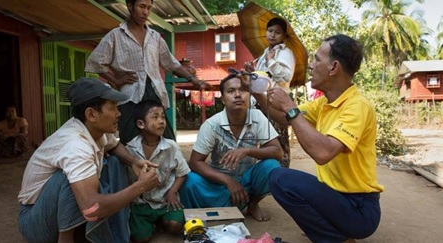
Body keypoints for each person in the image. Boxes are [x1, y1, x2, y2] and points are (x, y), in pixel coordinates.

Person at [250, 34, 384, 242]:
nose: (311, 66)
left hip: (359, 208)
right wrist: (258, 91)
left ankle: (337, 239)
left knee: (281, 178)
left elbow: (323, 153)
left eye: (317, 59)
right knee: (280, 178)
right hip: (337, 198)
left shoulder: (357, 106)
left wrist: (290, 107)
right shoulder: (323, 104)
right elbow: (284, 118)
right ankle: (334, 232)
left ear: (334, 68)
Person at [17, 77, 160, 243]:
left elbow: (113, 145)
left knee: (114, 162)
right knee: (70, 179)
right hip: (36, 224)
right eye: (113, 107)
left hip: (54, 213)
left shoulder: (95, 129)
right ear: (91, 114)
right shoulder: (76, 146)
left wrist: (134, 161)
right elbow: (91, 209)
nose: (118, 113)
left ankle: (117, 236)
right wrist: (140, 186)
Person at [85, 0, 211, 145]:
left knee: (166, 139)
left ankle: (168, 167)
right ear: (130, 6)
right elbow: (95, 61)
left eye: (149, 8)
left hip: (155, 91)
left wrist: (193, 79)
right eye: (142, 7)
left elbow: (171, 63)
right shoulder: (115, 36)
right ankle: (133, 166)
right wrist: (116, 80)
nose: (145, 12)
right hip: (129, 95)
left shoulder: (155, 37)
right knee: (130, 139)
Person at [179, 73, 283, 222]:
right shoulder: (212, 125)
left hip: (247, 180)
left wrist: (247, 150)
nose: (238, 95)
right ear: (222, 99)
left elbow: (277, 152)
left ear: (250, 95)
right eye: (231, 91)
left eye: (243, 90)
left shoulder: (257, 117)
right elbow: (195, 162)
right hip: (218, 183)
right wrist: (228, 181)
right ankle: (211, 209)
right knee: (190, 180)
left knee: (272, 167)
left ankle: (252, 204)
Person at [125, 100, 190, 243]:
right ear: (141, 124)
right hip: (141, 203)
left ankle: (162, 220)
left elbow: (182, 173)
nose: (161, 121)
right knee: (141, 238)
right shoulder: (130, 149)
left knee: (175, 226)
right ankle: (150, 222)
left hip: (165, 200)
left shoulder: (171, 146)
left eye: (163, 117)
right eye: (155, 117)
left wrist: (172, 192)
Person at [244, 17, 296, 168]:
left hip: (276, 102)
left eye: (278, 32)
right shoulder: (265, 53)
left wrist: (271, 61)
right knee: (265, 140)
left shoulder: (285, 53)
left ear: (283, 36)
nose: (273, 35)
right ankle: (268, 175)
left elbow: (286, 76)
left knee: (279, 141)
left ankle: (283, 173)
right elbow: (263, 77)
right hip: (261, 102)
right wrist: (252, 72)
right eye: (270, 31)